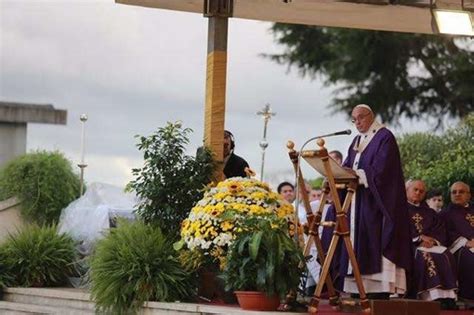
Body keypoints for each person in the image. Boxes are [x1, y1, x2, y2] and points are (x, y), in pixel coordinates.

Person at [339, 104, 412, 299]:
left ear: (371, 116)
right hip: (357, 202)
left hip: (377, 204)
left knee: (375, 240)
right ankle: (358, 290)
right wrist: (338, 172)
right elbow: (348, 165)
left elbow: (385, 171)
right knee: (357, 242)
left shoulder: (384, 136)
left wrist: (358, 174)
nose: (357, 123)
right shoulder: (356, 140)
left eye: (361, 118)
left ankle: (378, 290)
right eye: (354, 120)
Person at [405, 180, 457, 309]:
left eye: (421, 191)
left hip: (431, 244)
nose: (418, 193)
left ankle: (448, 297)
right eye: (415, 190)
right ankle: (432, 296)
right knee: (426, 255)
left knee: (445, 254)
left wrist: (433, 240)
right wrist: (418, 238)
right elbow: (399, 229)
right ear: (407, 191)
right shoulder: (400, 210)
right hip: (410, 246)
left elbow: (439, 229)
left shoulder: (429, 212)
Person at [440, 181, 474, 302]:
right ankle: (469, 297)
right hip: (458, 248)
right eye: (454, 192)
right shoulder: (445, 214)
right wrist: (465, 242)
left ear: (469, 195)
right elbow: (446, 234)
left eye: (461, 192)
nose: (457, 194)